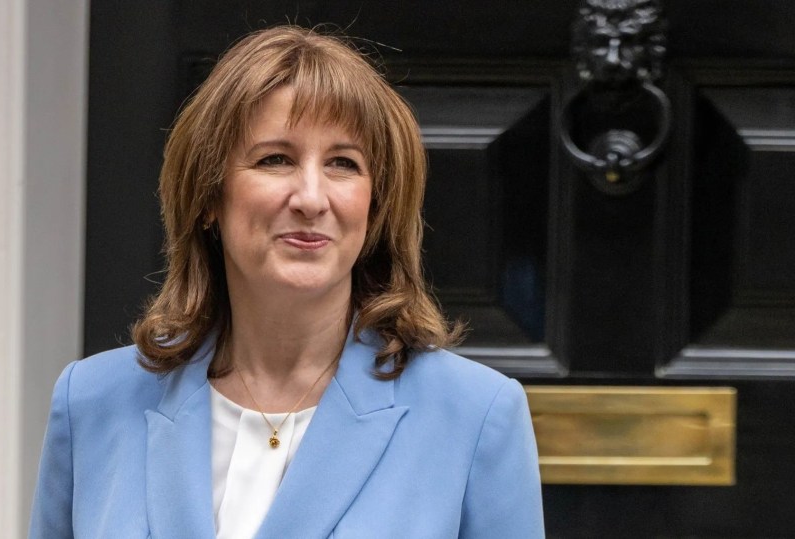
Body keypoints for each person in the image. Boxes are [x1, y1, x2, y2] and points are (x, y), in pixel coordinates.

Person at [30, 25, 544, 539]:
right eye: (275, 159)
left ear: (375, 204)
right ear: (210, 196)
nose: (312, 198)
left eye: (344, 163)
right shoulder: (93, 402)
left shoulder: (476, 416)